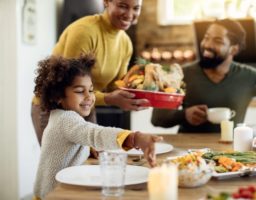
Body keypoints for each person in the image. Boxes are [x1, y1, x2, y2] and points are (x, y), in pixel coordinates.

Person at [32, 54, 162, 199]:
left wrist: (90, 148)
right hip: (54, 195)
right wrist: (135, 138)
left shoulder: (62, 117)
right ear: (58, 96)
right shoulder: (65, 119)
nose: (89, 96)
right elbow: (94, 134)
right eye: (80, 91)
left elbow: (80, 136)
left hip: (57, 191)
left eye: (91, 90)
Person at [31, 0, 148, 146]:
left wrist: (137, 98)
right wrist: (110, 99)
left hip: (85, 105)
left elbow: (114, 87)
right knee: (63, 164)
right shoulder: (84, 31)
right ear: (106, 2)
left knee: (93, 158)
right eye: (122, 6)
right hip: (54, 107)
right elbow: (69, 87)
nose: (130, 14)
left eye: (136, 8)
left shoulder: (125, 43)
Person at [151, 19, 256, 133]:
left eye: (217, 41)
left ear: (234, 50)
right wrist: (184, 115)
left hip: (231, 152)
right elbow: (157, 118)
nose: (207, 45)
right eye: (206, 37)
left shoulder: (250, 76)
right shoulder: (181, 75)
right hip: (189, 152)